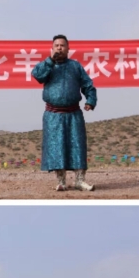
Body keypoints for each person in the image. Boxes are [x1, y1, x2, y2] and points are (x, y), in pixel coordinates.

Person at [31, 35, 97, 191]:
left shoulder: (75, 66)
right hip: (53, 115)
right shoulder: (46, 65)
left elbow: (88, 85)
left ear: (68, 49)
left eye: (62, 45)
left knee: (78, 146)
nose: (59, 48)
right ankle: (61, 181)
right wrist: (50, 61)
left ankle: (80, 180)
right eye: (56, 45)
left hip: (74, 113)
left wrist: (90, 100)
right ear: (52, 48)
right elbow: (38, 76)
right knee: (57, 147)